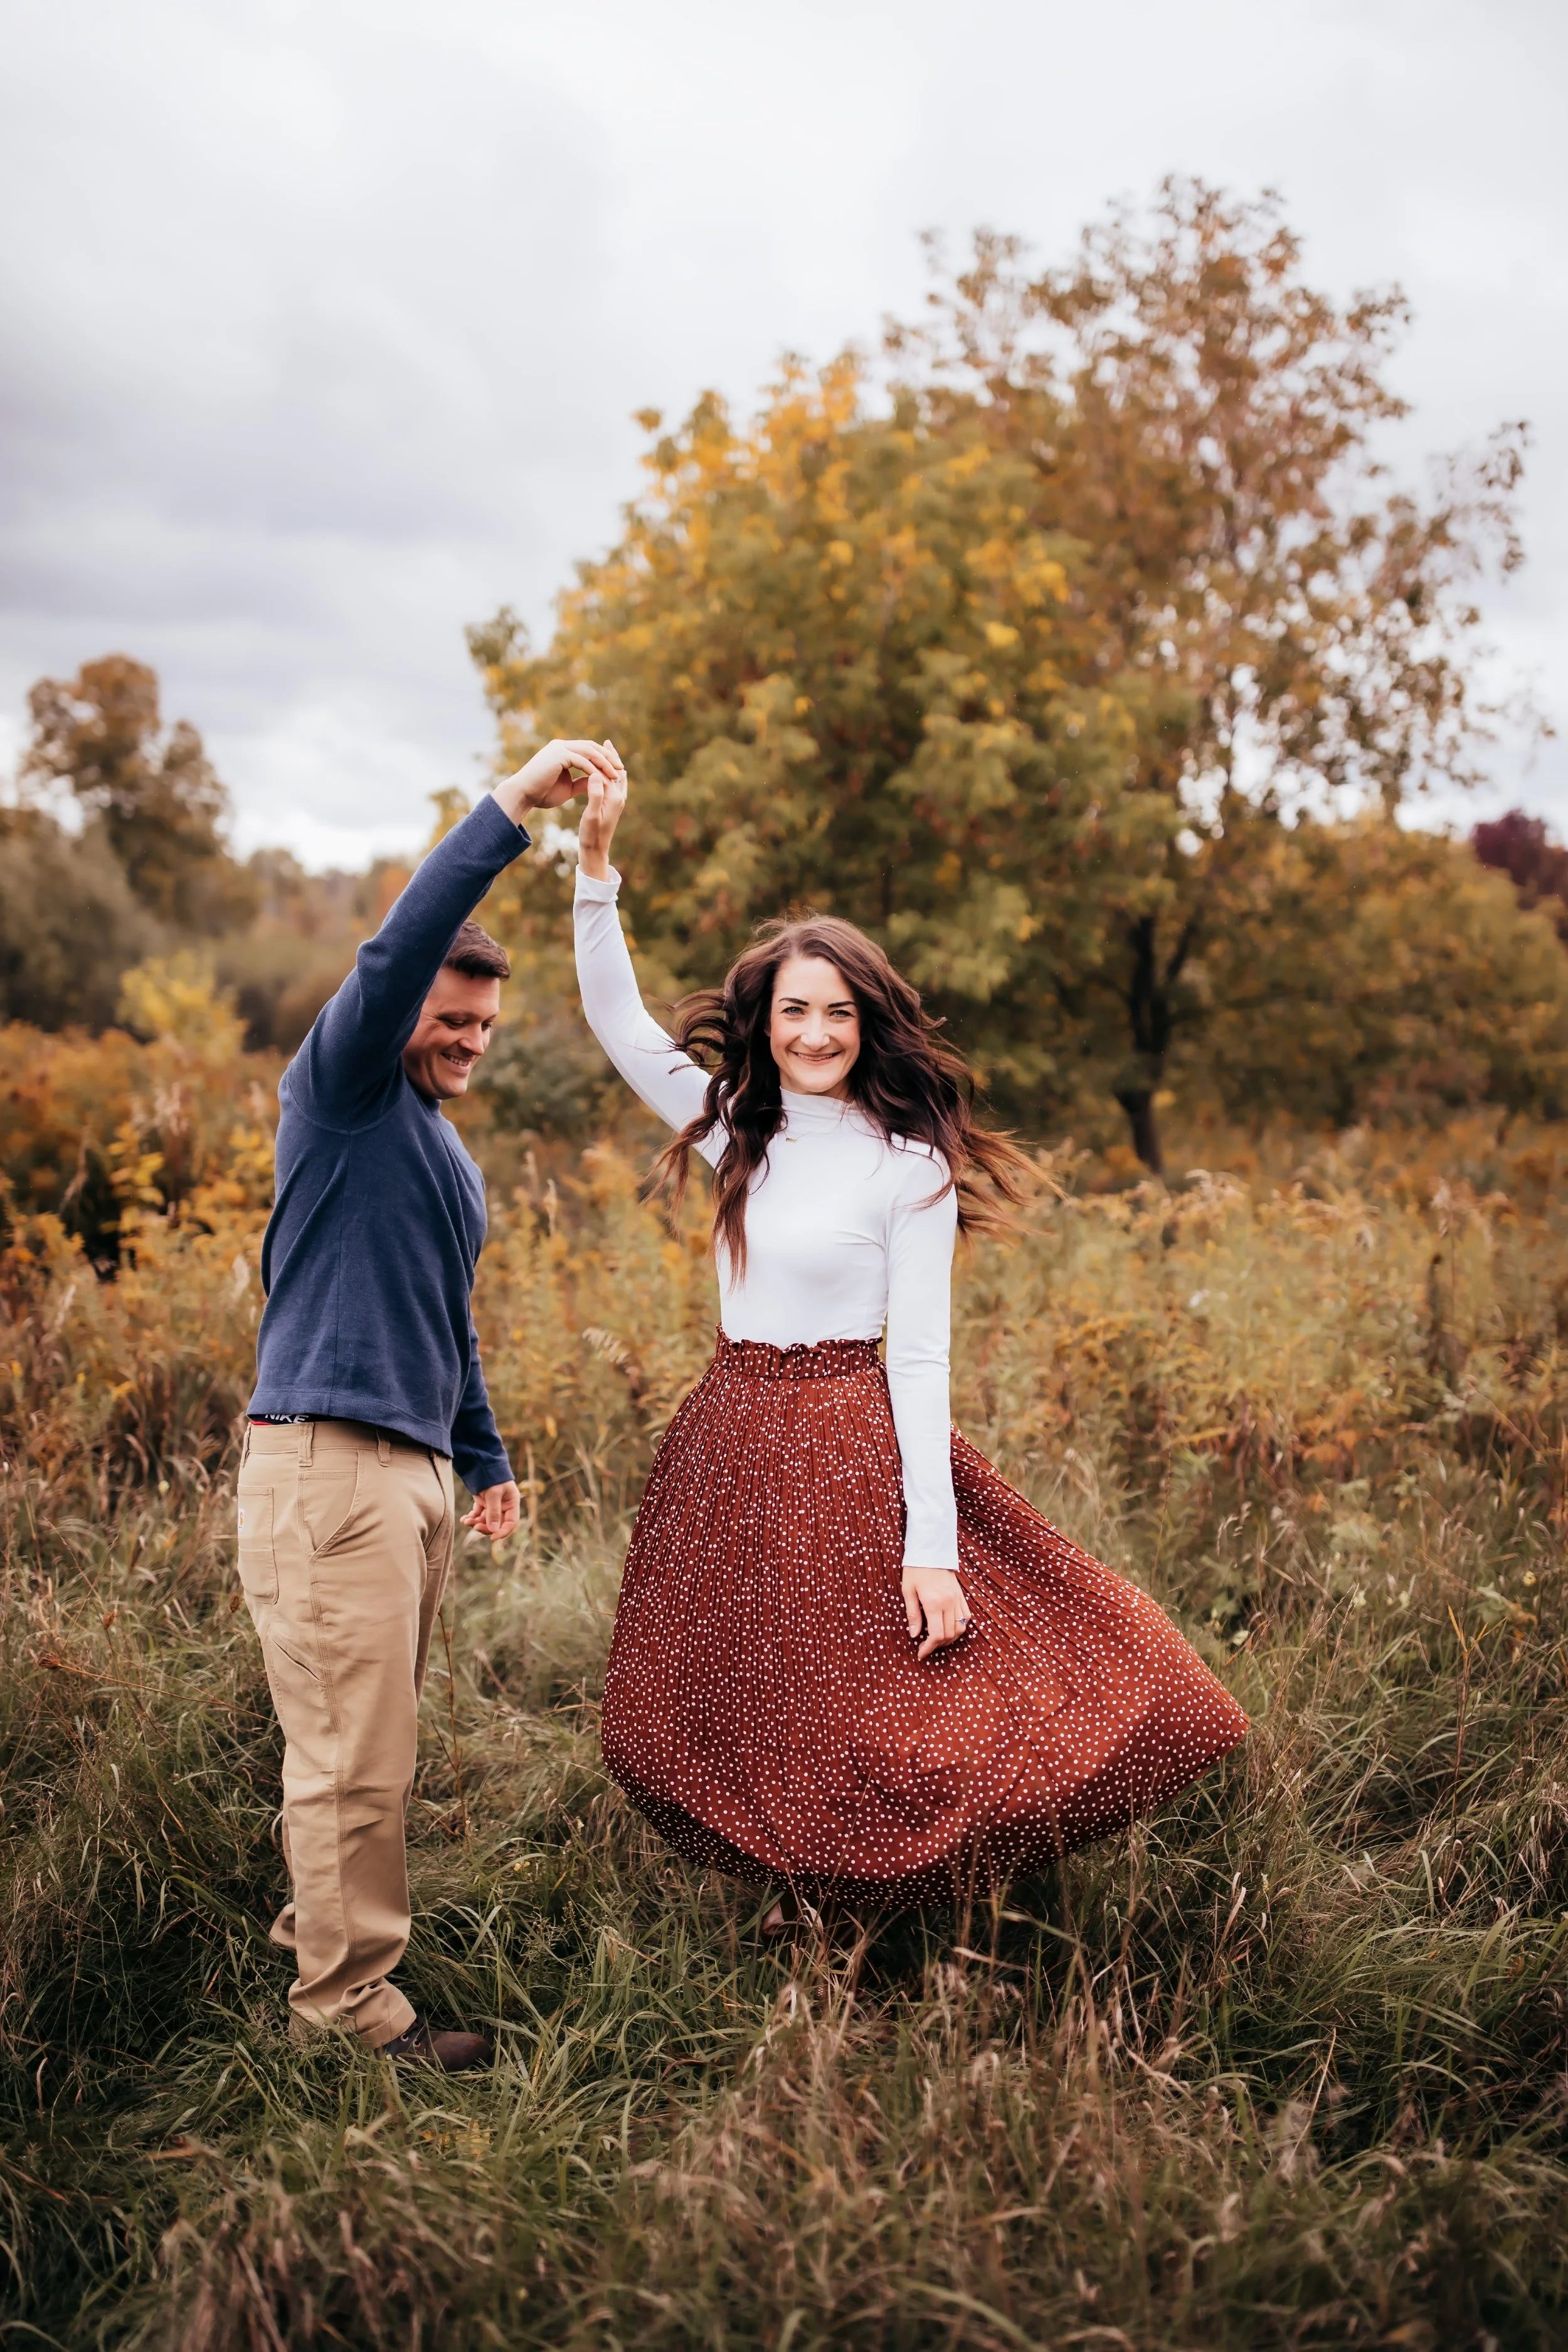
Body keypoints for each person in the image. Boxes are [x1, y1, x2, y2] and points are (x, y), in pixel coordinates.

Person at [546, 745, 1247, 1920]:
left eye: (837, 1012)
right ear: (764, 1021)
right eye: (793, 1010)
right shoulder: (738, 1131)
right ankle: (792, 1882)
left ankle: (869, 1902)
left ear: (868, 1024)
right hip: (729, 1432)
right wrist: (597, 859)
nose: (814, 1032)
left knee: (868, 1689)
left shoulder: (907, 1164)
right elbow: (615, 1018)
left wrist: (935, 1546)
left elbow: (920, 1357)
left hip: (843, 1435)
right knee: (737, 1685)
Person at [237, 739, 622, 2065]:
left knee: (369, 1751)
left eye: (483, 1027)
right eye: (445, 1017)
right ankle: (348, 2023)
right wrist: (517, 809)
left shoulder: (441, 1154)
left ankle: (319, 1952)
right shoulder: (338, 1089)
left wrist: (483, 1456)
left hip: (401, 1473)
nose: (465, 1038)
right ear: (395, 1009)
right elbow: (395, 949)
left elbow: (442, 1321)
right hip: (326, 1467)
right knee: (352, 1759)